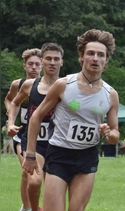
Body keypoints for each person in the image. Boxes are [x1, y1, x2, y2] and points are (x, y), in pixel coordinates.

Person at [22, 29, 119, 211]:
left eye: (101, 55)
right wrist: (30, 154)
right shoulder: (64, 85)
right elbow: (36, 116)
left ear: (106, 61)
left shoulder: (111, 95)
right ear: (81, 56)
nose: (95, 59)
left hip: (87, 156)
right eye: (90, 53)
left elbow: (115, 135)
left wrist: (109, 133)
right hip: (59, 154)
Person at [8, 43, 64, 211]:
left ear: (62, 62)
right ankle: (31, 208)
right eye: (48, 59)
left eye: (56, 59)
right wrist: (10, 122)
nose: (52, 62)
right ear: (43, 61)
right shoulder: (28, 85)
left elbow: (76, 108)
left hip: (56, 142)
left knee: (51, 185)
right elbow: (13, 103)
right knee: (34, 180)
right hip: (32, 140)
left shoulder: (67, 87)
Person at [4, 48, 42, 211]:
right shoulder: (18, 84)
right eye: (30, 64)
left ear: (42, 66)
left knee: (38, 176)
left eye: (37, 64)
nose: (34, 67)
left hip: (45, 134)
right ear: (24, 66)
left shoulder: (51, 85)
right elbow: (9, 100)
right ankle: (27, 208)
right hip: (23, 132)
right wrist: (10, 120)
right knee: (28, 173)